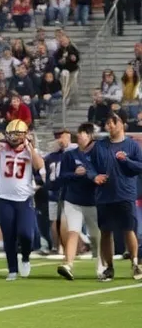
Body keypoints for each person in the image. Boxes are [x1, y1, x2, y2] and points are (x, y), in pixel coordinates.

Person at [0, 120, 45, 280]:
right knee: (9, 235)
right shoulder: (3, 148)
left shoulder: (30, 150)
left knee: (26, 234)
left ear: (25, 135)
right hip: (4, 197)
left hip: (24, 198)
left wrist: (30, 148)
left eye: (17, 134)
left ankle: (25, 257)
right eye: (11, 134)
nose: (13, 137)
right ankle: (12, 269)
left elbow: (40, 165)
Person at [89, 113, 142, 281]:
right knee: (105, 232)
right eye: (107, 123)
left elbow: (139, 166)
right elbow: (89, 165)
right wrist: (94, 176)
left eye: (113, 122)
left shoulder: (132, 145)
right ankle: (108, 267)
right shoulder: (100, 146)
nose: (109, 126)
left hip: (125, 193)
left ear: (122, 124)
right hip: (104, 195)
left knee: (129, 230)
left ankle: (135, 263)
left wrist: (126, 161)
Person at [57, 124, 103, 281]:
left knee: (97, 236)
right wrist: (75, 174)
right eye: (79, 133)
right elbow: (62, 176)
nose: (80, 136)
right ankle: (68, 264)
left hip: (93, 201)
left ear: (90, 136)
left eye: (83, 134)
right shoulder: (70, 155)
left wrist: (92, 176)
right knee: (73, 232)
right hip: (73, 200)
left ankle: (101, 266)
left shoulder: (98, 155)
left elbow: (102, 174)